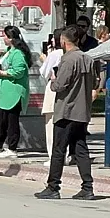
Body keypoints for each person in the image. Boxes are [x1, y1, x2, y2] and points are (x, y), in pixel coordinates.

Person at [37, 24, 98, 200]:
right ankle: (88, 187)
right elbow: (94, 82)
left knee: (58, 150)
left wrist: (54, 79)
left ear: (64, 41)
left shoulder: (68, 59)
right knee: (80, 149)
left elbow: (59, 85)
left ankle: (53, 186)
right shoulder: (88, 58)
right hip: (82, 110)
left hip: (66, 110)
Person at [0, 26, 30, 159]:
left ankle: (12, 148)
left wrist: (5, 73)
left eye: (6, 36)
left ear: (12, 38)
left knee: (12, 121)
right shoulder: (9, 51)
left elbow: (19, 71)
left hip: (14, 92)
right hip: (3, 92)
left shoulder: (18, 53)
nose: (3, 38)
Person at [39, 29, 63, 166]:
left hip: (53, 89)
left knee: (50, 125)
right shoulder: (70, 53)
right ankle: (63, 155)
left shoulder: (54, 54)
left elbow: (44, 73)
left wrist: (45, 59)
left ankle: (53, 156)